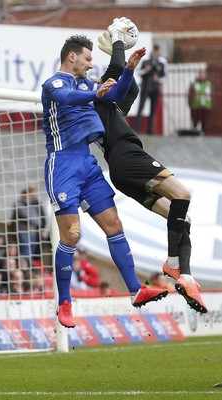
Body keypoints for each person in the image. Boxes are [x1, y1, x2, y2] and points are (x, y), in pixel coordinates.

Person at [41, 30, 168, 328]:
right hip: (62, 164)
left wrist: (128, 71)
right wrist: (94, 93)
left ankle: (136, 290)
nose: (90, 64)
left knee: (114, 225)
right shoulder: (54, 83)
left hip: (87, 163)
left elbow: (115, 95)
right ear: (72, 57)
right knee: (71, 235)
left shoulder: (87, 84)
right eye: (87, 59)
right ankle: (64, 303)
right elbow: (67, 97)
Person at [94, 17, 207, 314]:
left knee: (183, 219)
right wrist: (118, 40)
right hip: (128, 157)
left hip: (121, 171)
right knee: (183, 194)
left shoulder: (114, 107)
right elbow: (117, 72)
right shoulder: (101, 100)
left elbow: (127, 86)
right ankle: (172, 265)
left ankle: (186, 275)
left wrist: (127, 68)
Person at [134, 43, 168, 135]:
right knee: (140, 108)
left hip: (155, 88)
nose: (155, 52)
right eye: (154, 50)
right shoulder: (145, 60)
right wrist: (146, 70)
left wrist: (158, 79)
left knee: (153, 109)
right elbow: (138, 72)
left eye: (157, 51)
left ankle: (150, 130)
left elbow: (165, 77)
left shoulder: (162, 61)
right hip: (145, 87)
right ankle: (136, 129)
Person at [10, 185, 47, 261]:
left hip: (33, 234)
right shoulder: (19, 203)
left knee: (32, 254)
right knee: (25, 254)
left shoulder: (34, 204)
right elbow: (29, 216)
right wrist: (37, 220)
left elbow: (38, 218)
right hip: (23, 233)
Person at [188, 69, 212, 134]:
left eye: (203, 74)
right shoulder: (193, 83)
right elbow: (190, 95)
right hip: (195, 106)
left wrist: (212, 105)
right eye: (200, 74)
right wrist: (190, 104)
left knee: (205, 124)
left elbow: (212, 95)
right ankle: (194, 135)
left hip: (206, 106)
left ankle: (205, 136)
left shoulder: (209, 84)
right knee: (195, 123)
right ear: (198, 74)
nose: (202, 75)